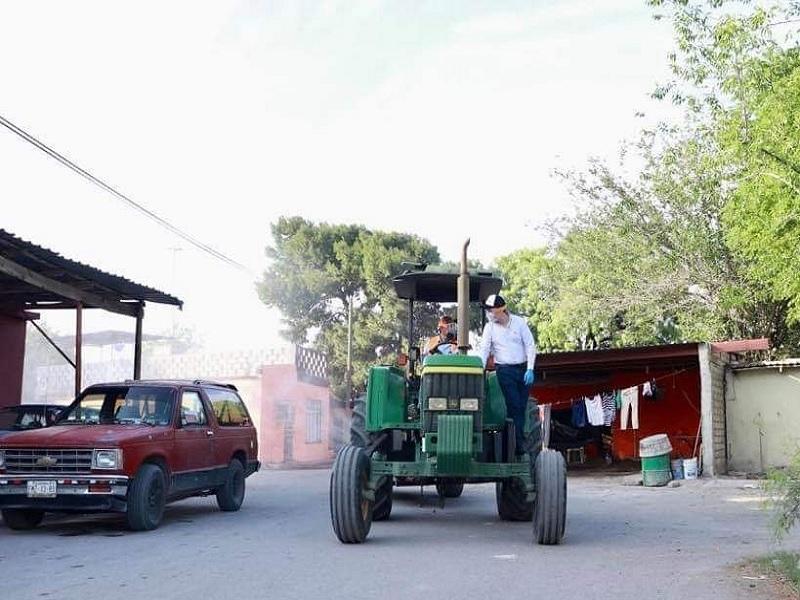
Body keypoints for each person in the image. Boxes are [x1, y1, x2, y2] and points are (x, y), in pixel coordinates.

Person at [479, 294, 537, 454]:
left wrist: (530, 368)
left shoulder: (519, 323)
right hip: (504, 370)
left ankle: (513, 440)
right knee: (514, 404)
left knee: (521, 406)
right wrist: (479, 369)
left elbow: (530, 345)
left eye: (491, 310)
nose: (489, 314)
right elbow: (484, 350)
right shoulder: (489, 328)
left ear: (501, 310)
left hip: (523, 369)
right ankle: (518, 445)